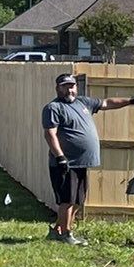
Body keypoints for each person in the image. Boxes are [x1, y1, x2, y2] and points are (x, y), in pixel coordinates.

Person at [41, 70, 103, 241]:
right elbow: (50, 134)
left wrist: (130, 101)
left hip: (82, 162)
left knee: (78, 200)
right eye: (65, 87)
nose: (69, 90)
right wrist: (60, 157)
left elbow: (107, 103)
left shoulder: (83, 102)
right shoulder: (53, 108)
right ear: (58, 88)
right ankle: (66, 233)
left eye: (72, 86)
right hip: (65, 162)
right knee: (67, 200)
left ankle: (57, 231)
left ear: (76, 87)